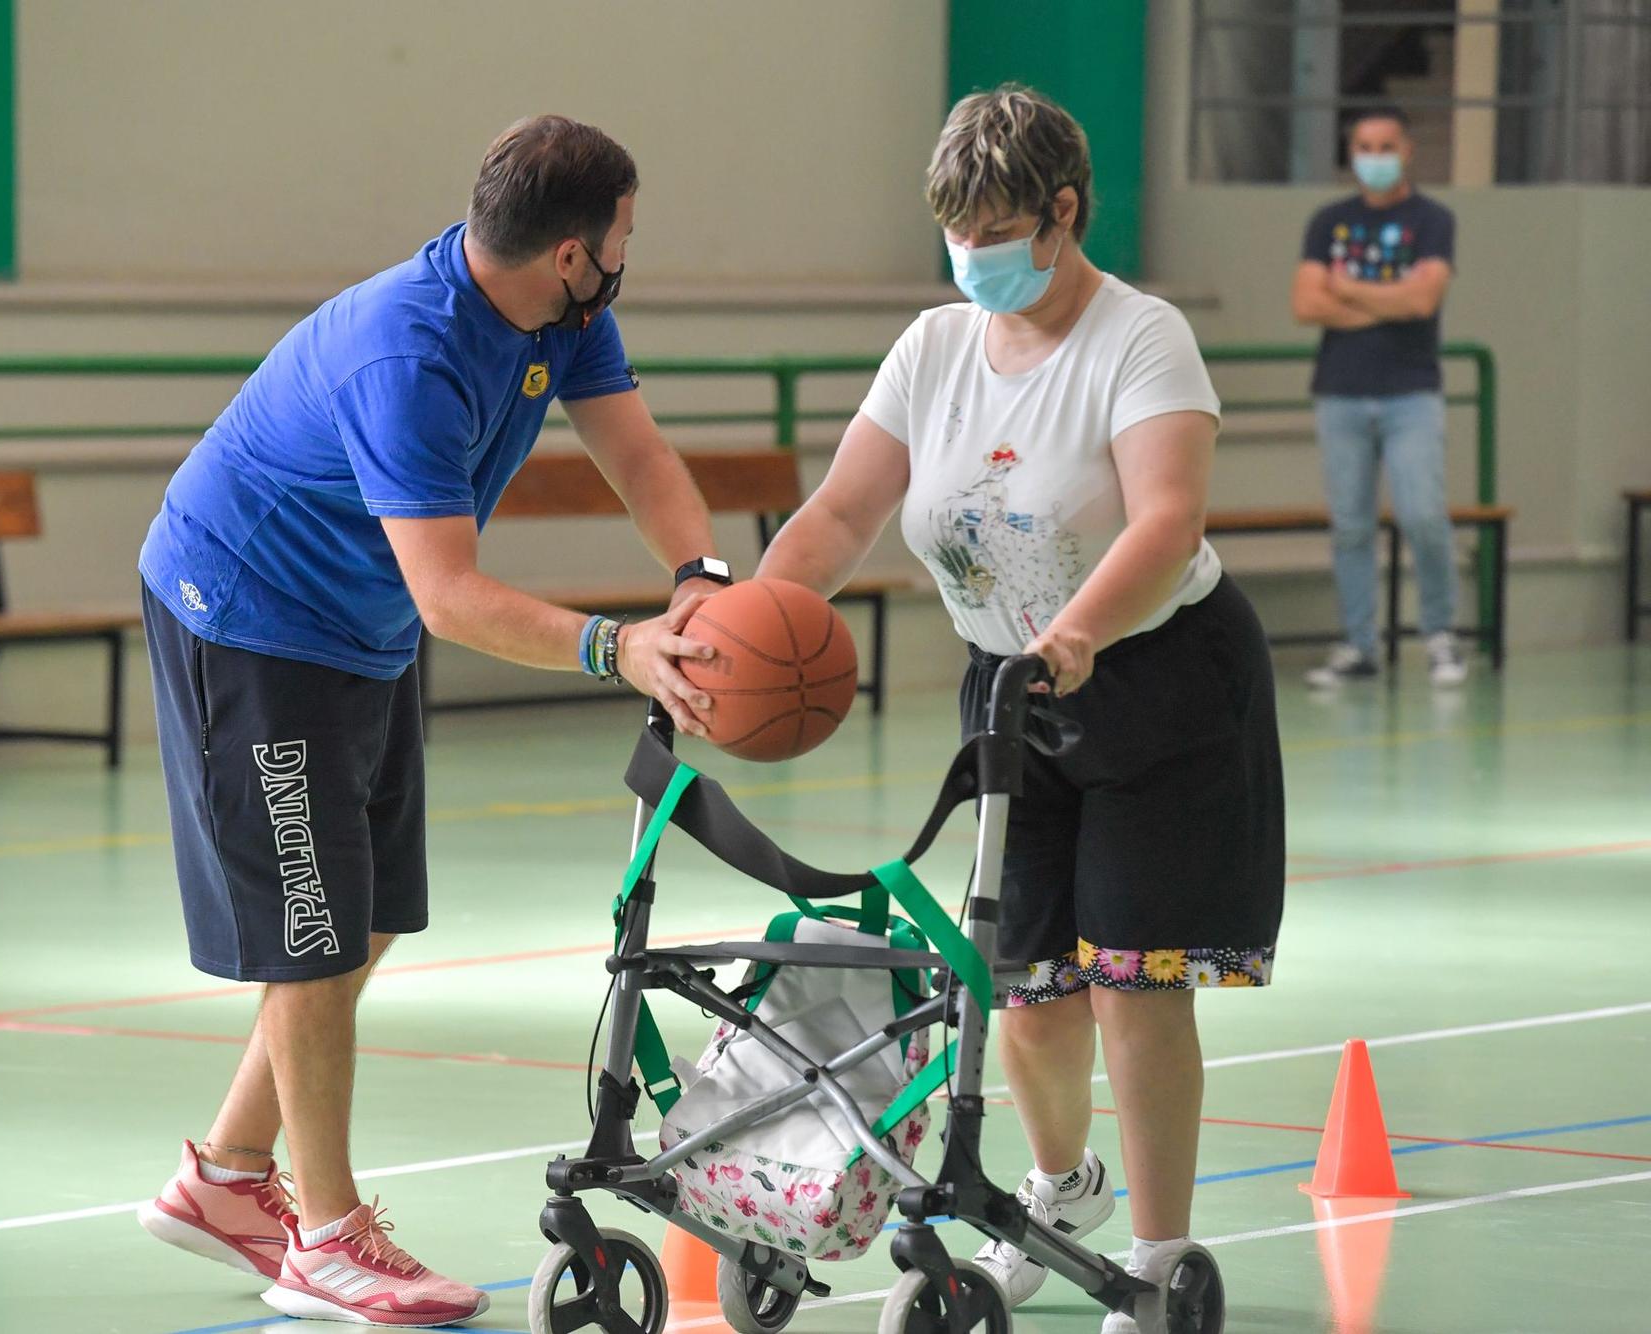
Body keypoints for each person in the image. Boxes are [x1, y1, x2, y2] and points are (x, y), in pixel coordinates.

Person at [134, 115, 732, 1326]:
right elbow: (451, 595)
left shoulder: (562, 316)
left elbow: (637, 453)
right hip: (248, 618)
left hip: (354, 625)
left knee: (357, 922)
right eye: (621, 232)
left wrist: (696, 578)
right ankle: (327, 1240)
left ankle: (227, 1181)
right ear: (569, 250)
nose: (627, 251)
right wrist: (620, 647)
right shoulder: (403, 357)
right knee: (311, 930)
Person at [754, 86, 1284, 1331]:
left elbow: (1166, 516)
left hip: (1157, 679)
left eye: (994, 229)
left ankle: (1158, 1249)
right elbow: (840, 513)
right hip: (1011, 692)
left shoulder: (1140, 337)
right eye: (954, 232)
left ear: (1062, 213)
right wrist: (750, 615)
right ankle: (1057, 1194)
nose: (972, 257)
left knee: (1131, 981)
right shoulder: (931, 349)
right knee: (1024, 988)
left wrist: (1078, 632)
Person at [1291, 105, 1464, 688]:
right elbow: (1306, 305)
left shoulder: (1433, 220)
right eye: (1365, 146)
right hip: (1340, 392)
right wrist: (1387, 297)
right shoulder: (1327, 221)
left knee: (1423, 515)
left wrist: (1346, 290)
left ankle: (1441, 635)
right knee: (1351, 526)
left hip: (1411, 392)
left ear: (1407, 150)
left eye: (1386, 145)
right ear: (1353, 153)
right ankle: (1358, 646)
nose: (1376, 157)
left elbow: (1423, 302)